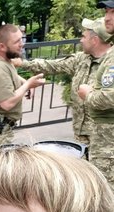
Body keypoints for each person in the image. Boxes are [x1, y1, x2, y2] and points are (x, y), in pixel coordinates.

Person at [12, 18, 112, 149]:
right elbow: (53, 65)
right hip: (81, 134)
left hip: (104, 139)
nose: (81, 40)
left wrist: (88, 94)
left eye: (84, 36)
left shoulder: (109, 65)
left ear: (94, 40)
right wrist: (23, 63)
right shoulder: (82, 59)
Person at [0, 24, 46, 151]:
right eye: (17, 41)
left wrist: (24, 83)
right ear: (2, 46)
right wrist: (28, 85)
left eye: (21, 39)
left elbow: (8, 76)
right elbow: (7, 103)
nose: (22, 44)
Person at [79, 2, 114, 190]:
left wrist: (88, 94)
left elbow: (109, 97)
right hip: (104, 138)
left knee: (106, 192)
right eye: (107, 12)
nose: (107, 17)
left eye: (113, 12)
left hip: (108, 142)